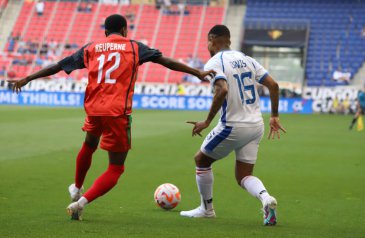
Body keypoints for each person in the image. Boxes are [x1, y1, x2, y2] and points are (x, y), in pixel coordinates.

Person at [8, 14, 215, 221]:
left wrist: (27, 78)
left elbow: (59, 66)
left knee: (89, 144)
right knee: (116, 168)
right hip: (117, 112)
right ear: (125, 30)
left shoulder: (91, 47)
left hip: (94, 109)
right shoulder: (134, 47)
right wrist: (196, 72)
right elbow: (165, 61)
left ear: (105, 32)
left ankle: (77, 187)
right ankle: (80, 203)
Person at [180, 25, 286, 226]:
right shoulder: (247, 59)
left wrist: (207, 122)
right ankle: (266, 199)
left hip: (232, 126)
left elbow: (222, 91)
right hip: (256, 125)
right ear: (228, 40)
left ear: (211, 39)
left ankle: (207, 209)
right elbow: (273, 85)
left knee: (201, 160)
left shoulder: (215, 62)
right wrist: (274, 116)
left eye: (207, 42)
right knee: (244, 176)